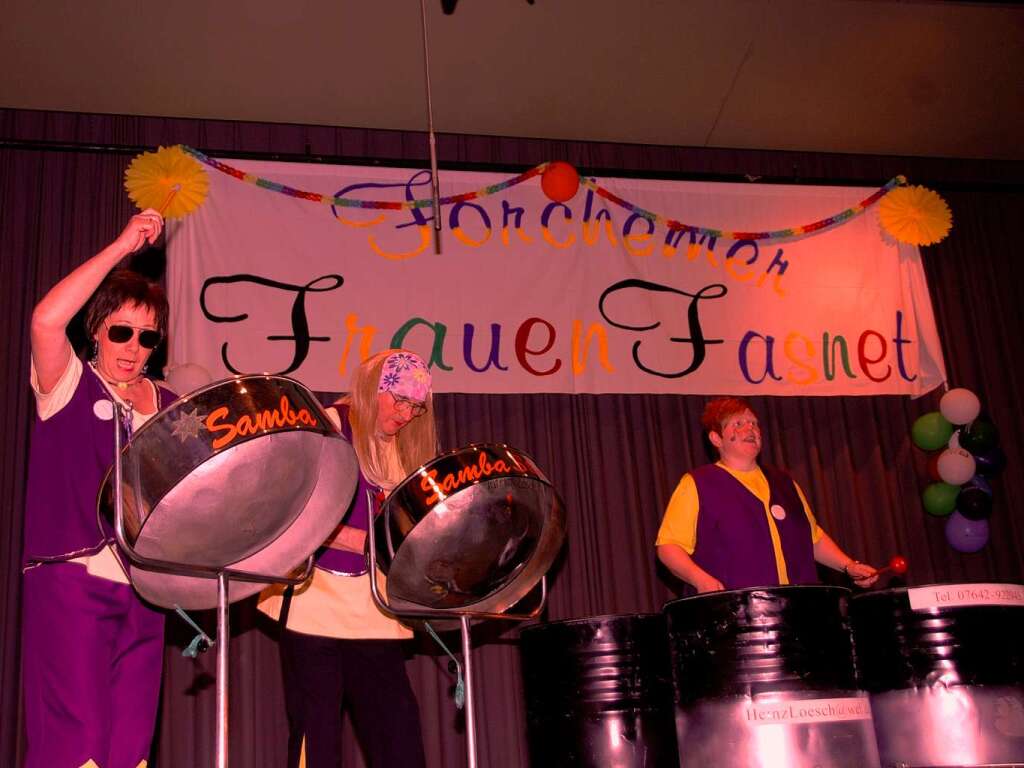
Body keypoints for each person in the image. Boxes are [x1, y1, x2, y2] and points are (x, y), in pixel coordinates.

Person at [22, 209, 176, 767]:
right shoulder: (66, 382)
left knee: (130, 749)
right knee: (75, 744)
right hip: (73, 584)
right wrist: (119, 247)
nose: (134, 347)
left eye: (147, 336)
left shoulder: (170, 406)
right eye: (121, 331)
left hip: (145, 592)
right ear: (95, 328)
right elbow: (44, 320)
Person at [259, 349, 435, 768]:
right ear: (373, 388)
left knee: (400, 743)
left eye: (415, 406)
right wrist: (356, 539)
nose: (406, 414)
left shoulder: (403, 454)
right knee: (316, 744)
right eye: (399, 400)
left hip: (376, 614)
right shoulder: (328, 426)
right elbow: (284, 510)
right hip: (313, 609)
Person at [656, 396, 878, 593]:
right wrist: (700, 579)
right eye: (738, 424)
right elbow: (668, 547)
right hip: (734, 618)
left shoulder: (785, 483)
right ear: (716, 439)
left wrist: (849, 565)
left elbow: (813, 538)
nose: (750, 429)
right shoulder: (698, 483)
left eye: (754, 423)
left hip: (795, 612)